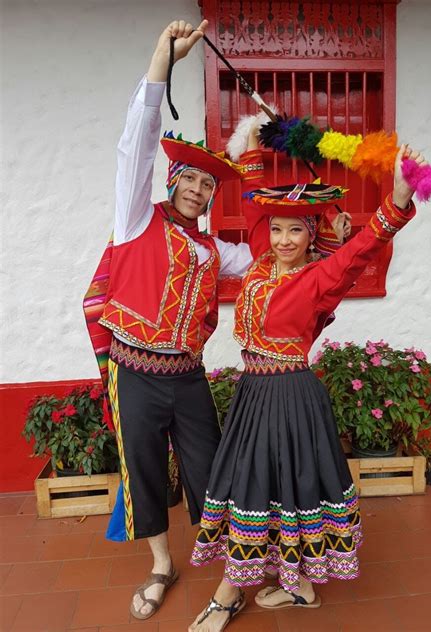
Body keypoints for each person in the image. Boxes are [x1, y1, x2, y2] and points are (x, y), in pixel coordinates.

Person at [188, 128, 428, 631]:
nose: (283, 240)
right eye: (278, 230)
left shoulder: (318, 279)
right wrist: (252, 142)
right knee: (275, 484)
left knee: (257, 485)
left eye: (296, 231)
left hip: (290, 395)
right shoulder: (262, 259)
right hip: (255, 392)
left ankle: (228, 593)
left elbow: (364, 246)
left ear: (310, 234)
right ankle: (299, 588)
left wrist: (400, 197)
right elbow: (255, 207)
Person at [83, 19, 258, 621]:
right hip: (134, 371)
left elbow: (273, 252)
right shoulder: (136, 218)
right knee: (144, 469)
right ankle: (162, 564)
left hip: (186, 376)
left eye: (209, 185)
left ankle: (233, 566)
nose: (198, 190)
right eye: (191, 179)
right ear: (172, 179)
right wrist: (164, 57)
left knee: (213, 467)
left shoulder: (215, 251)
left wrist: (319, 232)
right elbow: (136, 139)